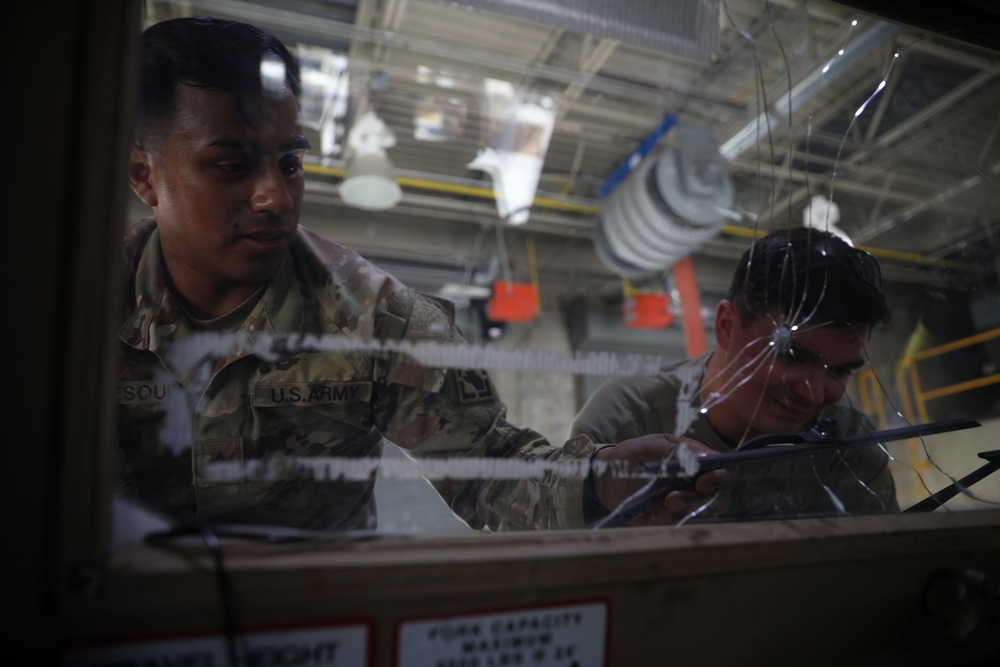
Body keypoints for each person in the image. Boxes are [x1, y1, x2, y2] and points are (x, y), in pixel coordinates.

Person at [116, 15, 716, 534]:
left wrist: (599, 483)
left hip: (317, 628)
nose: (276, 195)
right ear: (144, 176)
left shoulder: (378, 321)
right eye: (230, 166)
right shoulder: (65, 299)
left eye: (290, 162)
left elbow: (489, 469)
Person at [574, 226, 899, 524]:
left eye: (840, 370)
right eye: (791, 355)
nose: (813, 395)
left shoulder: (847, 441)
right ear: (727, 327)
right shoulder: (628, 422)